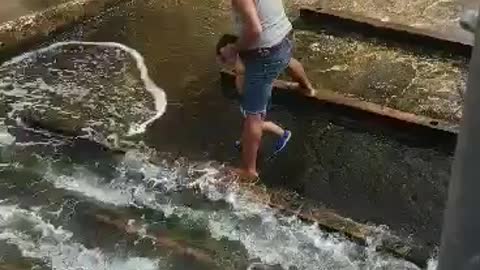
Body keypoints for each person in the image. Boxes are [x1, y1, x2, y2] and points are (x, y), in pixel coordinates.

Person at [218, 0, 315, 179]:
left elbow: (255, 30)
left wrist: (234, 49)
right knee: (287, 60)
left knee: (253, 114)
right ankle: (307, 88)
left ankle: (249, 170)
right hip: (284, 36)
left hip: (266, 52)